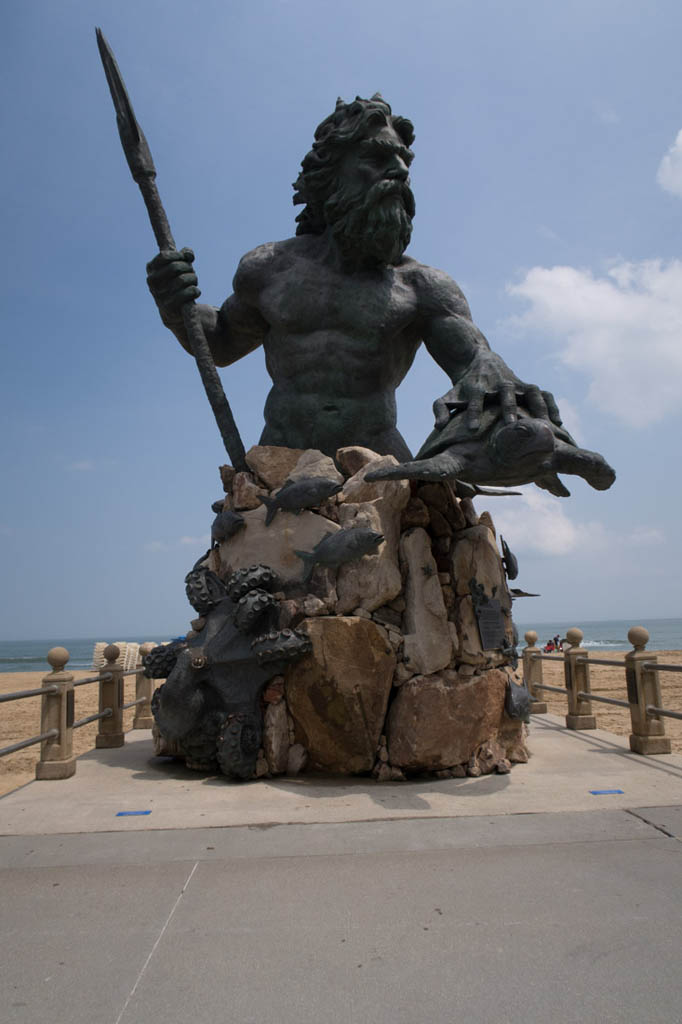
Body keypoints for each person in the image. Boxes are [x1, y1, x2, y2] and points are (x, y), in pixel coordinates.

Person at [146, 94, 565, 462]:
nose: (399, 172)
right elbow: (220, 343)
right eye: (377, 159)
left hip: (377, 464)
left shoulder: (421, 286)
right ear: (330, 177)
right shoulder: (270, 267)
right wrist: (174, 304)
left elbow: (474, 361)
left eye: (404, 162)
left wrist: (495, 375)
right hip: (278, 460)